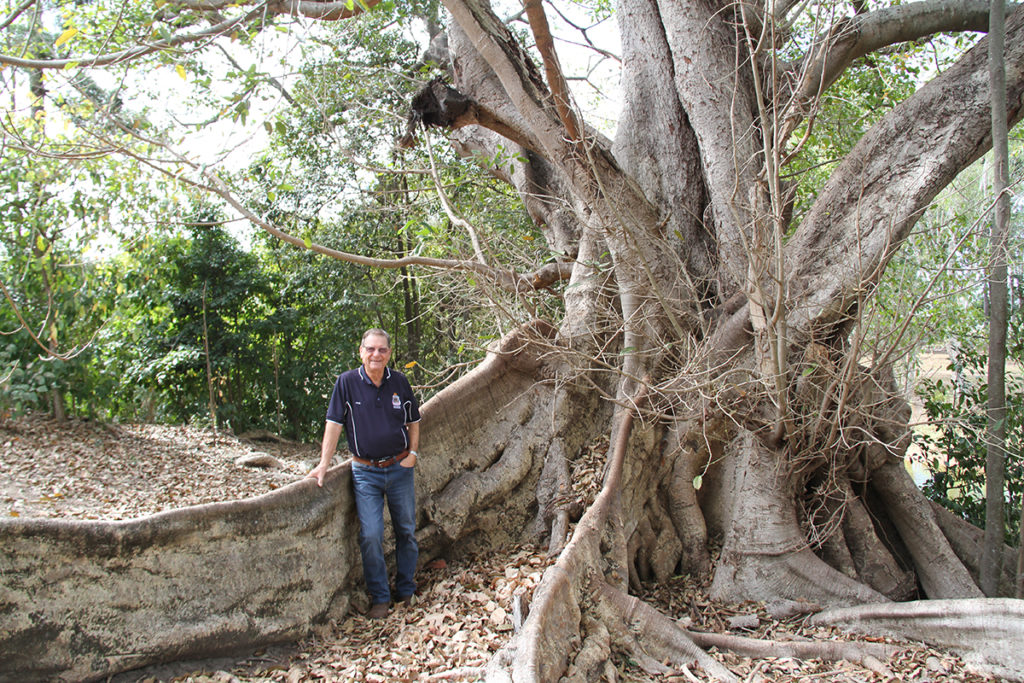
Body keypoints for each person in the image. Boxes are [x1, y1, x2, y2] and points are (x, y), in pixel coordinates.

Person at [307, 328, 421, 620]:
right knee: (370, 534)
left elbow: (414, 421)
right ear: (361, 352)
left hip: (399, 468)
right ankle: (381, 598)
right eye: (370, 349)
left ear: (389, 353)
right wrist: (323, 463)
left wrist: (413, 454)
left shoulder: (399, 381)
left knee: (406, 530)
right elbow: (333, 424)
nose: (376, 355)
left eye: (382, 350)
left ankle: (406, 591)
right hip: (365, 472)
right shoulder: (346, 383)